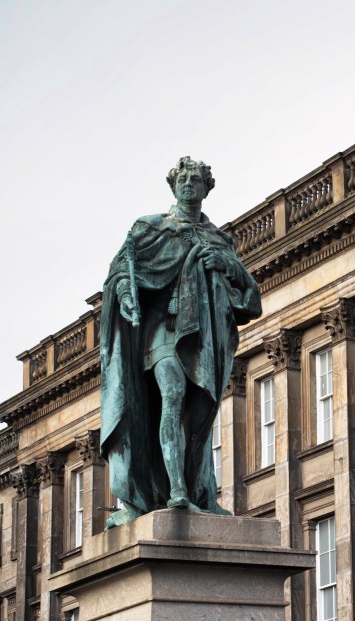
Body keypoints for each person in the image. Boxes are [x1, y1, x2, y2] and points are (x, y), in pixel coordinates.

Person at [100, 157, 262, 528]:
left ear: (207, 188)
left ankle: (199, 490)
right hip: (162, 329)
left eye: (196, 179)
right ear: (173, 185)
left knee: (200, 415)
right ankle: (177, 491)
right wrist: (125, 295)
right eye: (183, 179)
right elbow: (120, 274)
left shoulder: (219, 239)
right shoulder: (150, 228)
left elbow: (248, 296)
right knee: (172, 395)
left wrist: (226, 264)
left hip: (203, 337)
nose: (189, 184)